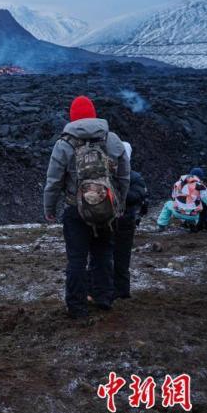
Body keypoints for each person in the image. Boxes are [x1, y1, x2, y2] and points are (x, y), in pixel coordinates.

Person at [44, 96, 130, 319]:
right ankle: (103, 297)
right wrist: (119, 204)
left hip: (76, 210)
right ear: (93, 114)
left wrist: (49, 208)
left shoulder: (64, 144)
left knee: (77, 259)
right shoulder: (112, 139)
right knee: (103, 254)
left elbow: (53, 181)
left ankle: (77, 306)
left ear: (72, 117)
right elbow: (124, 176)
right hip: (107, 208)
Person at [111, 142, 148, 299]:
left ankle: (119, 291)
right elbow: (140, 196)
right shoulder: (134, 176)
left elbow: (137, 196)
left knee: (117, 257)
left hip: (120, 221)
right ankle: (119, 290)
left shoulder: (131, 177)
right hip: (123, 221)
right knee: (119, 257)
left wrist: (117, 196)